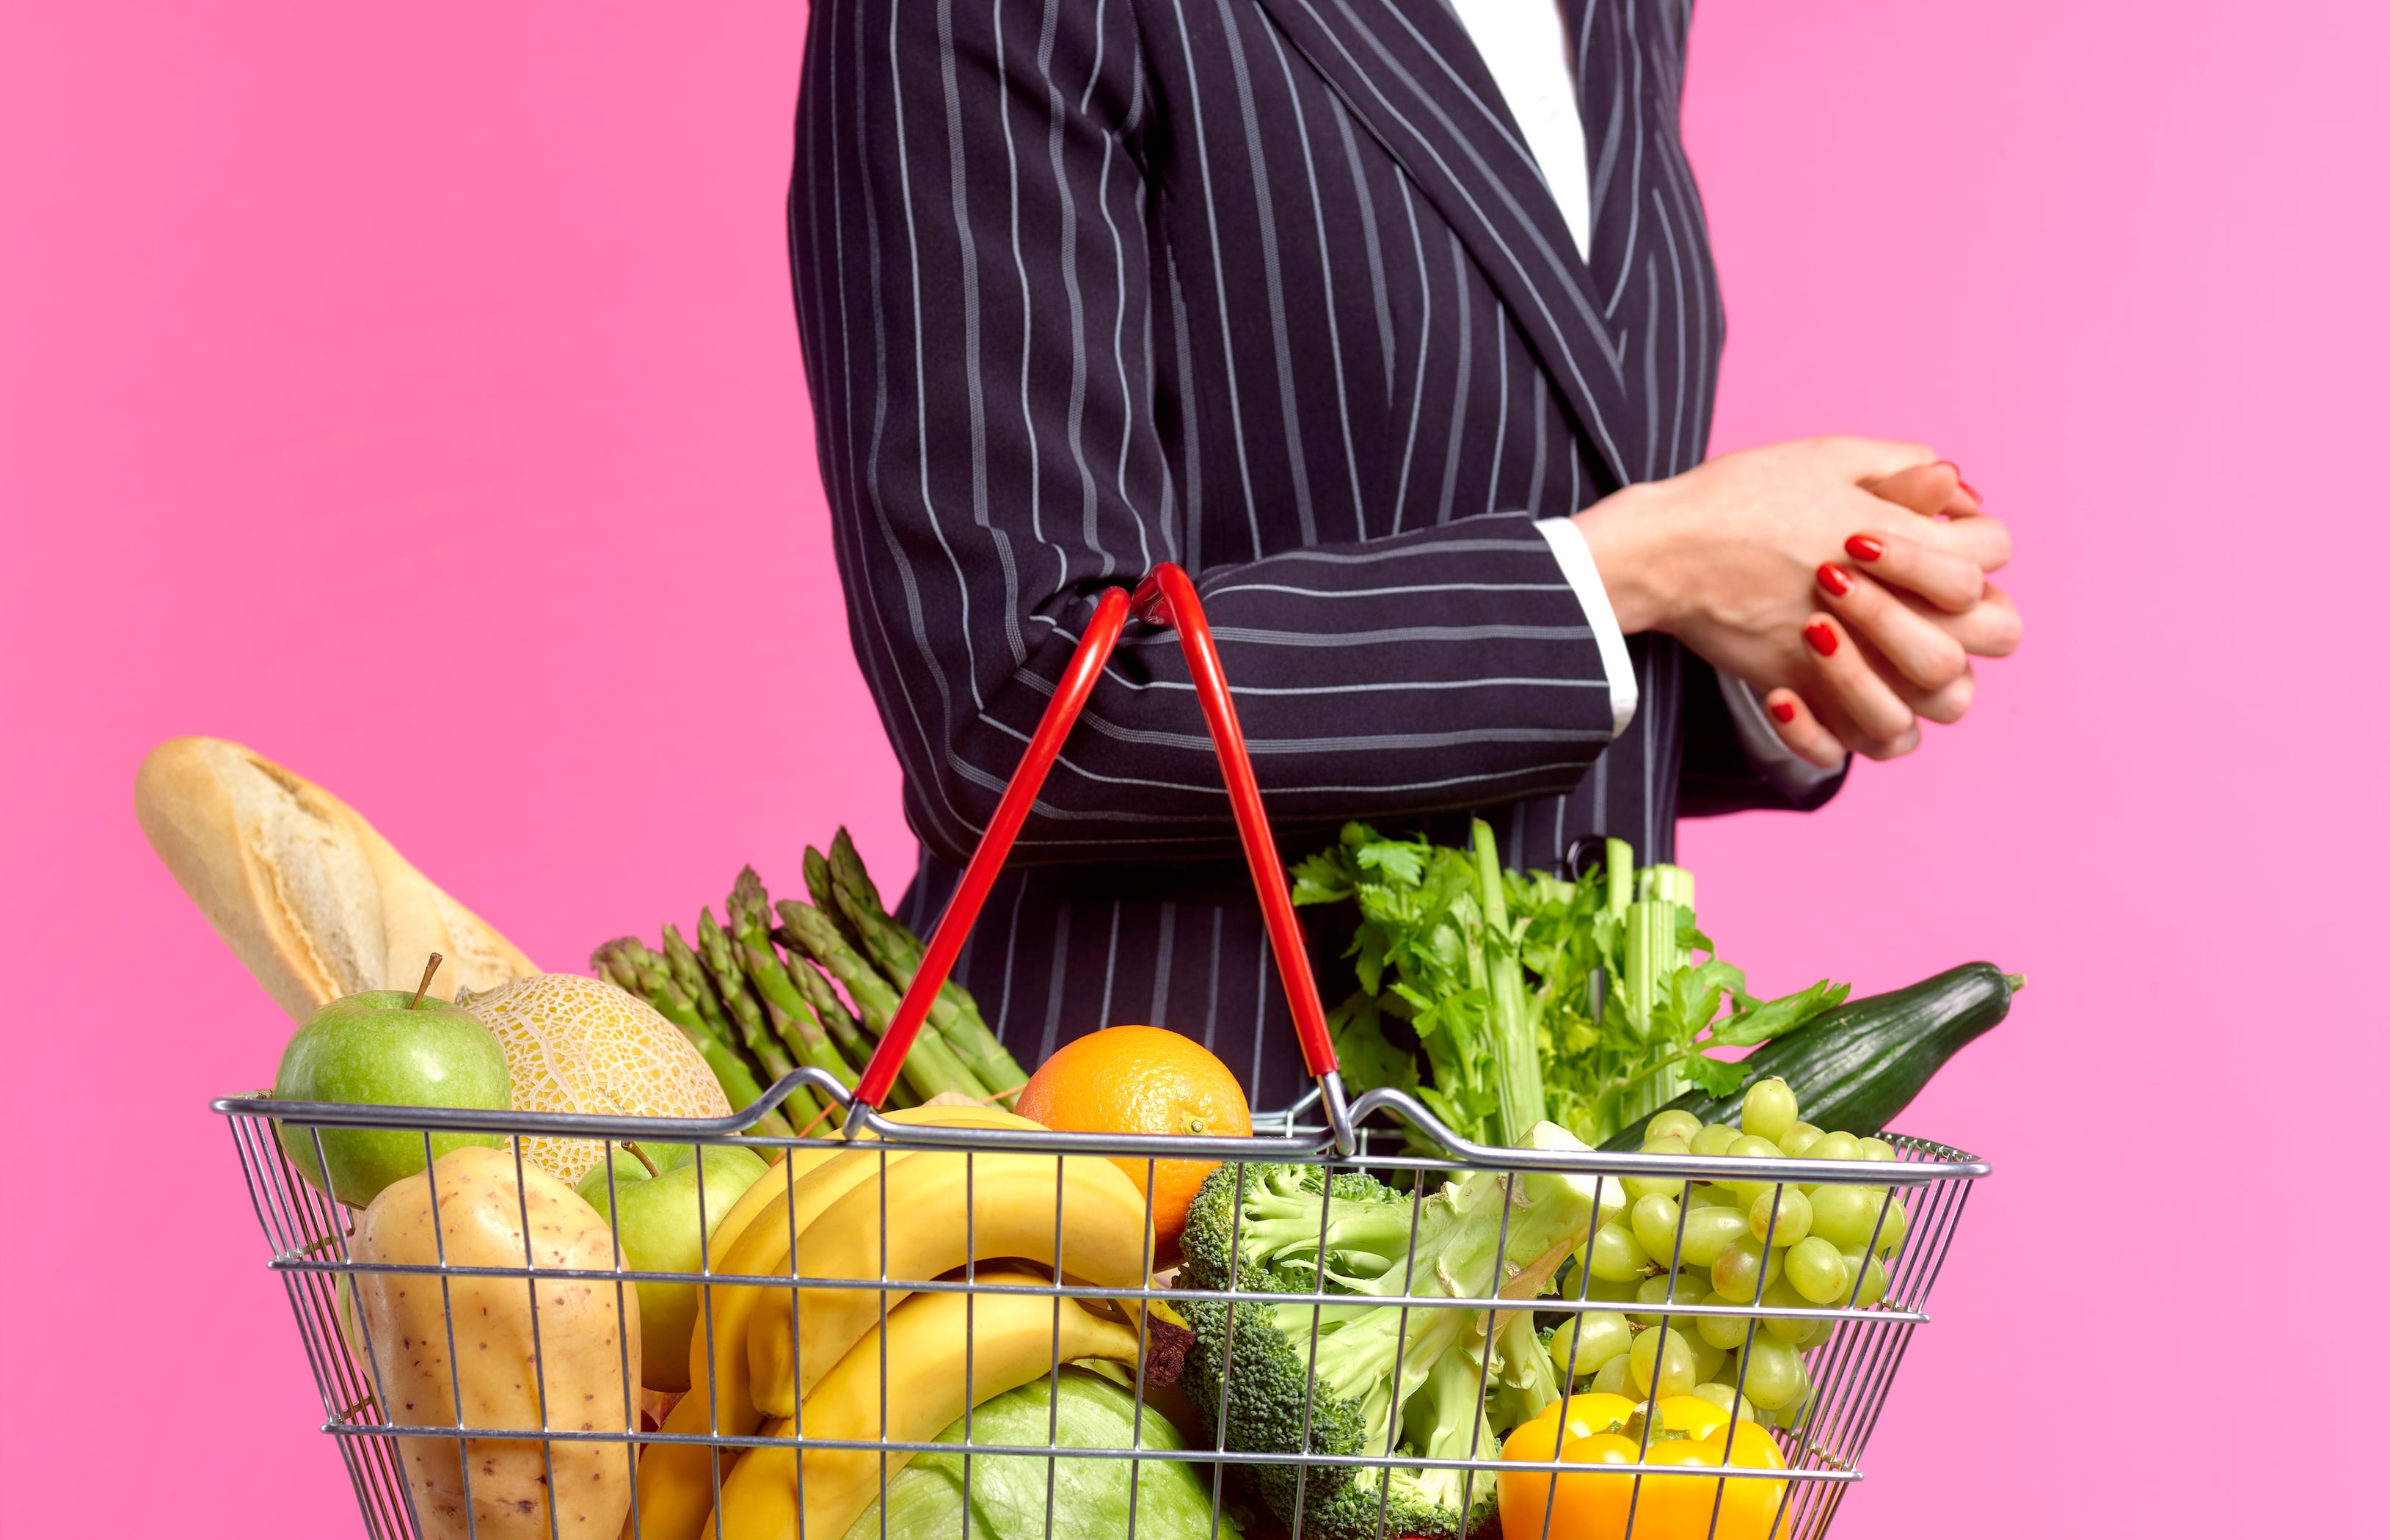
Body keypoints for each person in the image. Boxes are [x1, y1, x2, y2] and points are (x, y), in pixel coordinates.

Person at [787, 0, 2022, 1110]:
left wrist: (1782, 632)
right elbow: (1014, 696)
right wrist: (1632, 568)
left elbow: (1487, 492)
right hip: (1145, 1181)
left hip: (1559, 1201)